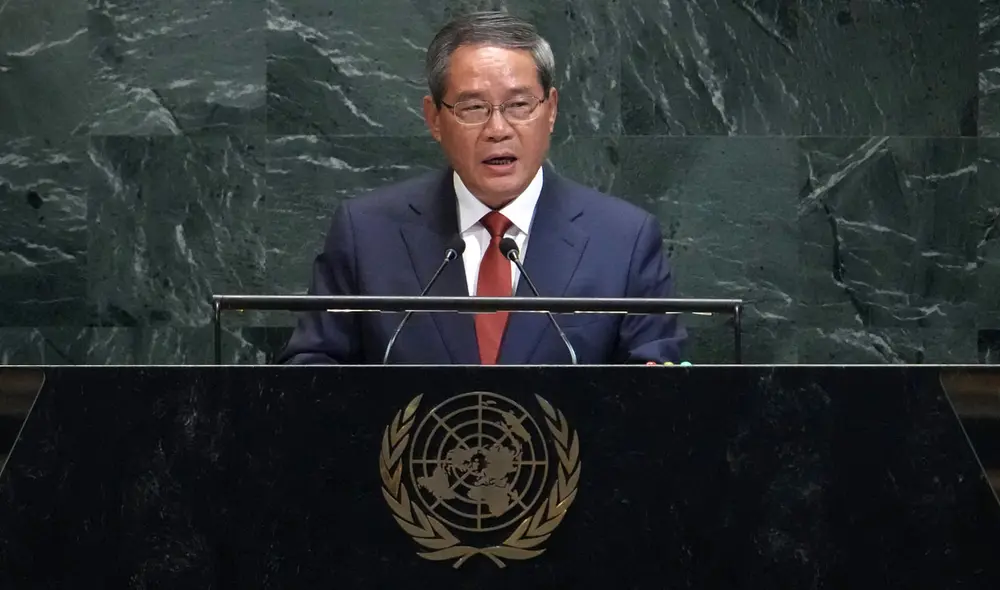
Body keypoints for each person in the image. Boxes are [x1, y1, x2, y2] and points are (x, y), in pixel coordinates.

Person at [278, 11, 686, 365]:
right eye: (473, 108)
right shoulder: (365, 234)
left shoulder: (623, 239)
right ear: (434, 118)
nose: (497, 130)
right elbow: (312, 367)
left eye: (519, 105)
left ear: (551, 110)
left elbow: (655, 377)